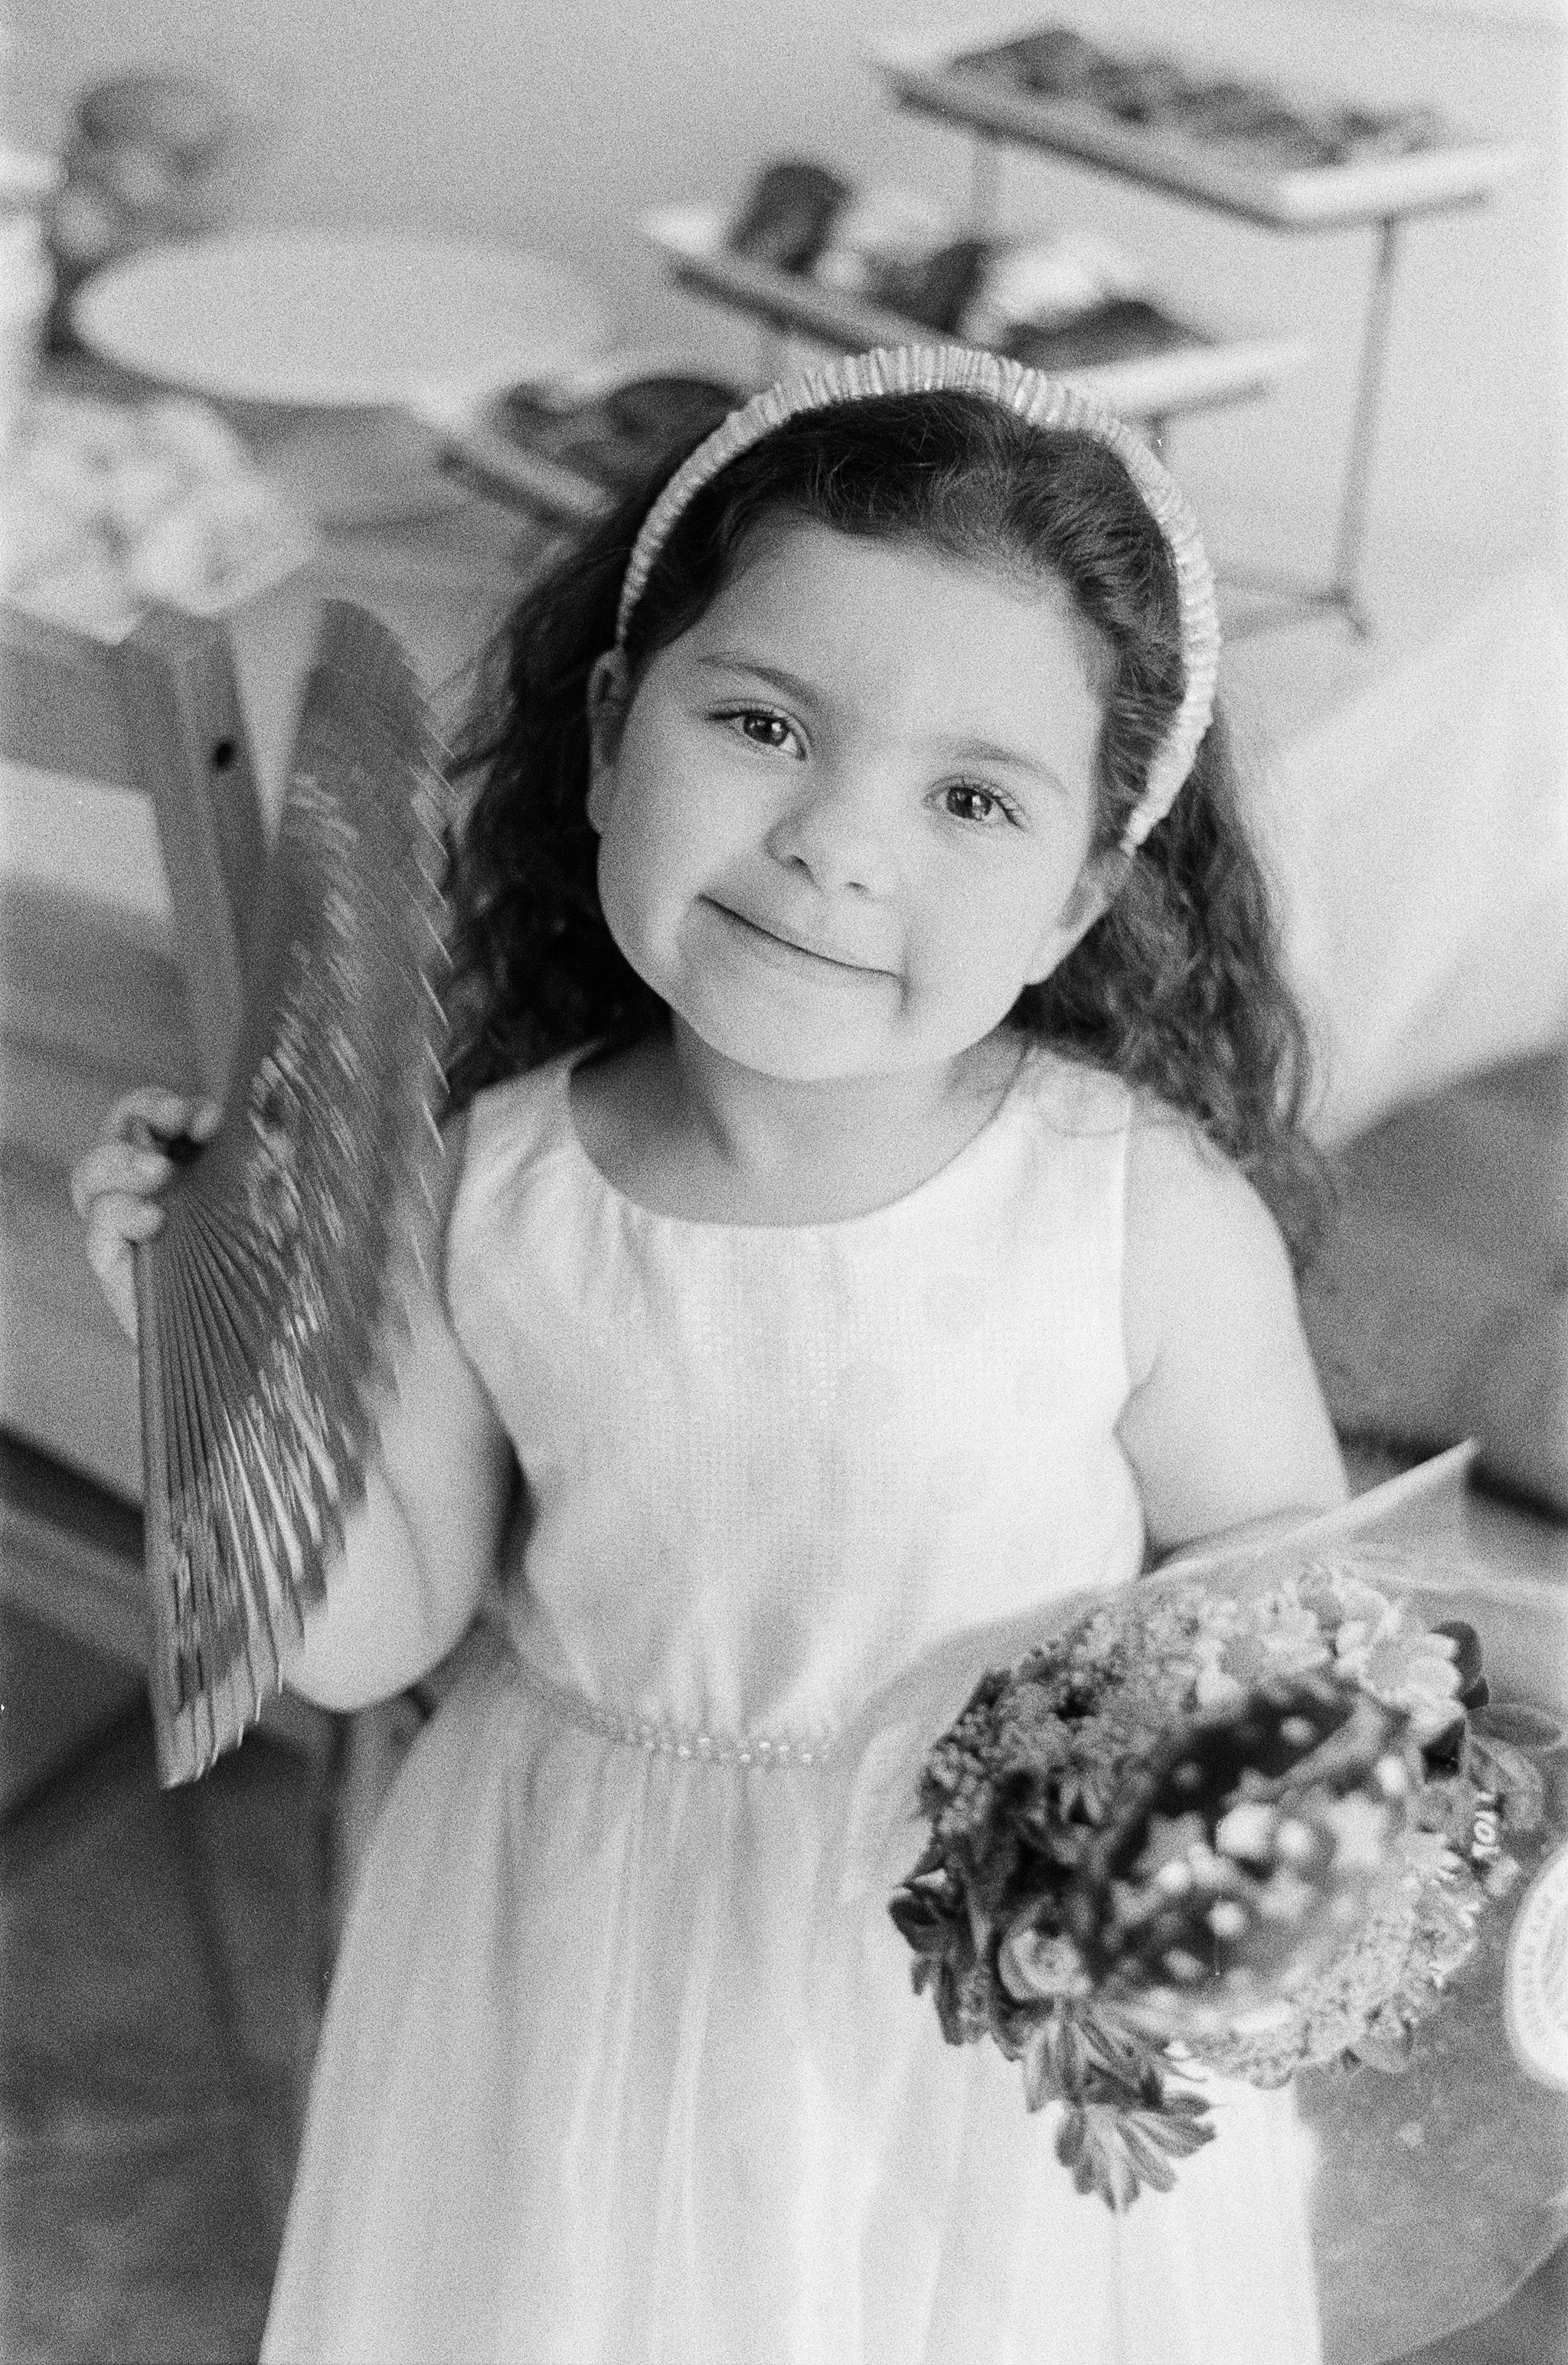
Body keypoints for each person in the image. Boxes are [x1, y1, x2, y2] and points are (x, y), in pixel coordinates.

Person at [73, 345, 1348, 2364]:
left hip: (973, 1989)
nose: (840, 842)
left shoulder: (1132, 1214)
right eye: (762, 721)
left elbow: (1285, 1591)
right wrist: (217, 1343)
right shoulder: (489, 1184)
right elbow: (356, 1635)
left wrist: (1211, 1839)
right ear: (608, 730)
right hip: (565, 1947)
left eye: (972, 797)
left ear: (1086, 889)